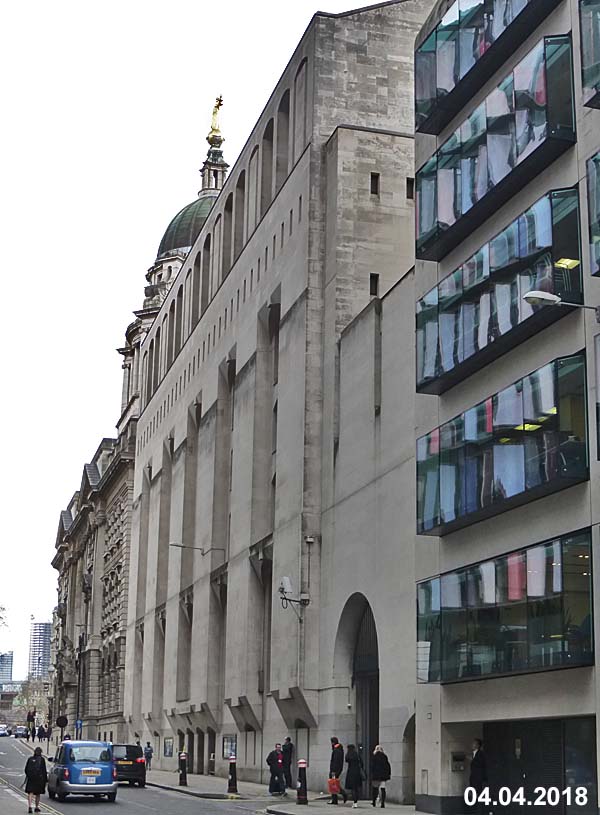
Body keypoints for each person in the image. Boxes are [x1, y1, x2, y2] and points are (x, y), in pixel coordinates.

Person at [24, 746, 47, 814]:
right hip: (39, 779)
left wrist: (29, 776)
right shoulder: (42, 760)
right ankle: (36, 807)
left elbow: (26, 769)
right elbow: (44, 771)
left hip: (31, 779)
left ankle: (30, 806)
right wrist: (45, 780)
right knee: (37, 794)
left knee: (30, 792)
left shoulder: (30, 759)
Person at [469, 738, 487, 815]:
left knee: (478, 794)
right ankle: (475, 810)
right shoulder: (473, 754)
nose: (472, 745)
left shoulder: (481, 754)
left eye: (474, 743)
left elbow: (481, 766)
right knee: (474, 794)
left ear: (477, 745)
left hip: (478, 779)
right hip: (473, 779)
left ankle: (479, 811)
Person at [329, 736, 348, 805]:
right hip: (337, 769)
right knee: (334, 783)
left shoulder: (336, 750)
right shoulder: (339, 749)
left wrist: (333, 771)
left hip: (335, 770)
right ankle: (335, 799)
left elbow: (335, 762)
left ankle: (341, 795)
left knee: (333, 784)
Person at [345, 744, 364, 808]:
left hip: (351, 772)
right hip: (357, 773)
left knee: (353, 788)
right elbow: (362, 763)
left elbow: (346, 760)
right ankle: (356, 801)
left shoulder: (349, 755)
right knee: (356, 788)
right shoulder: (357, 755)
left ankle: (354, 802)